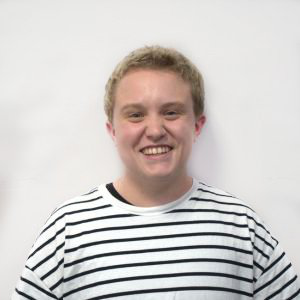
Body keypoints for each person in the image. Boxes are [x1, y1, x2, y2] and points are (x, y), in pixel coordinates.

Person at [13, 46, 300, 299]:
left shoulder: (240, 226)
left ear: (197, 126)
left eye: (171, 112)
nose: (154, 130)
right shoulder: (68, 230)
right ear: (112, 130)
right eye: (135, 114)